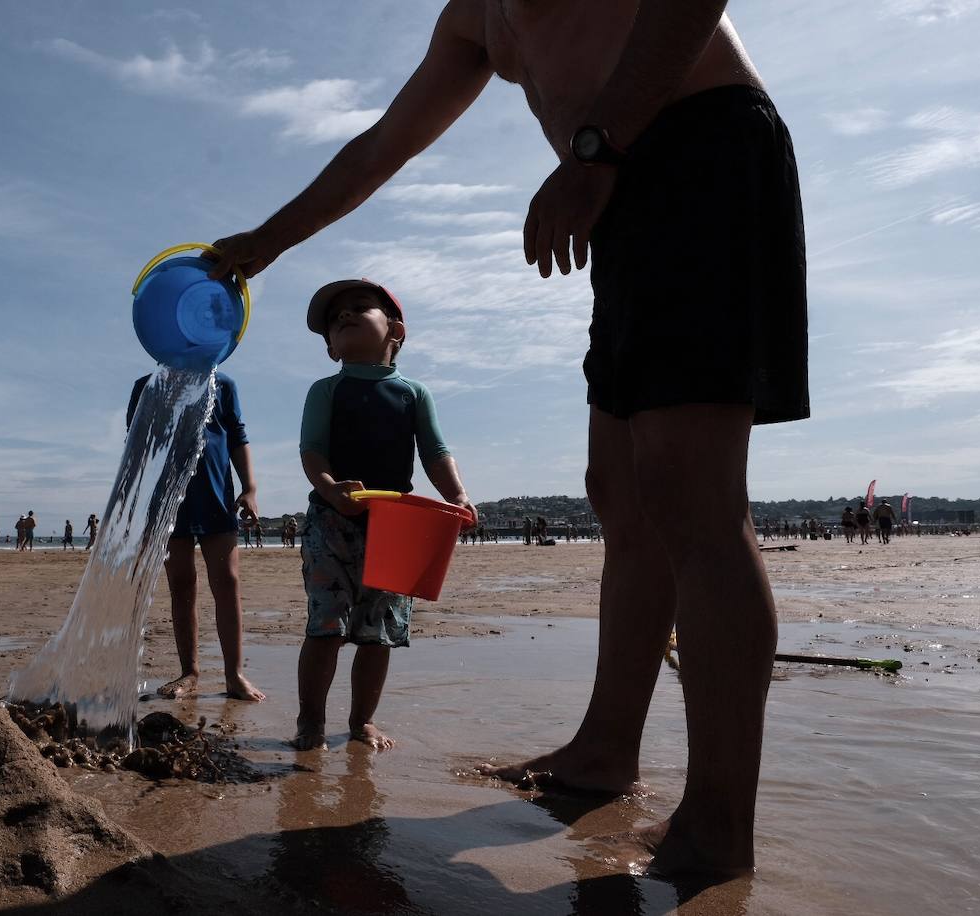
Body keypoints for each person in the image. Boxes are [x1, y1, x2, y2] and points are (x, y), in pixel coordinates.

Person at [207, 1, 807, 873]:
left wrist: (594, 149)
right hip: (616, 188)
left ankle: (717, 823)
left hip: (699, 145)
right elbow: (381, 146)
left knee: (690, 491)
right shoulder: (472, 21)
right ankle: (605, 751)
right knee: (621, 493)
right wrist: (266, 242)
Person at [292, 279, 476, 752]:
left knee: (379, 632)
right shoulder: (326, 390)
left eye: (359, 308)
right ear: (331, 348)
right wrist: (332, 490)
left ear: (395, 330)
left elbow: (435, 451)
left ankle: (361, 721)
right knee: (326, 626)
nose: (346, 317)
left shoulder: (413, 393)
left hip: (397, 527)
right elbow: (312, 450)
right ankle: (310, 720)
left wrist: (456, 494)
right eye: (336, 319)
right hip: (331, 521)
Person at [126, 371, 266, 703]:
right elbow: (136, 448)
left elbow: (236, 436)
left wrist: (249, 488)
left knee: (227, 581)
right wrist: (137, 503)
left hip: (215, 495)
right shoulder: (146, 387)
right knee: (181, 583)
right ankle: (189, 672)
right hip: (166, 499)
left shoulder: (223, 384)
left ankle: (234, 675)